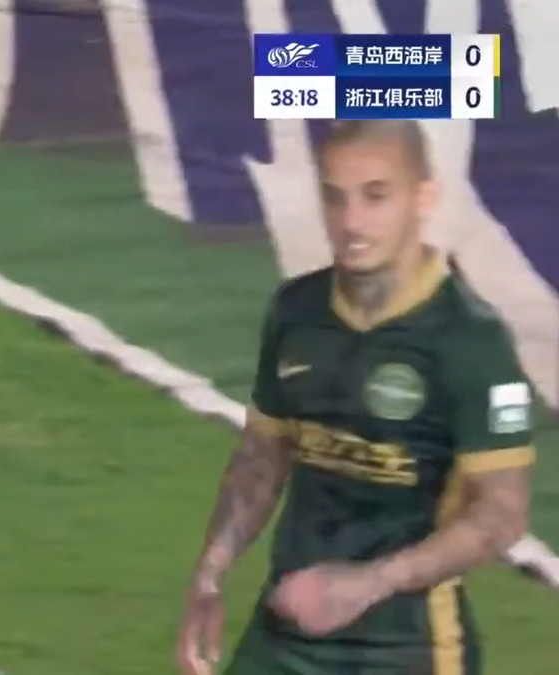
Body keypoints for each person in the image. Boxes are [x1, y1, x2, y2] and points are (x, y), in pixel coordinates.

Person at [175, 119, 536, 675]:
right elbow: (262, 457)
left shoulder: (472, 342)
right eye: (335, 197)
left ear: (424, 197)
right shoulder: (297, 311)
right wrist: (211, 570)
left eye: (376, 196)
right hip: (288, 634)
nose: (352, 222)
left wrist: (367, 584)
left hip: (408, 649)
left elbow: (501, 515)